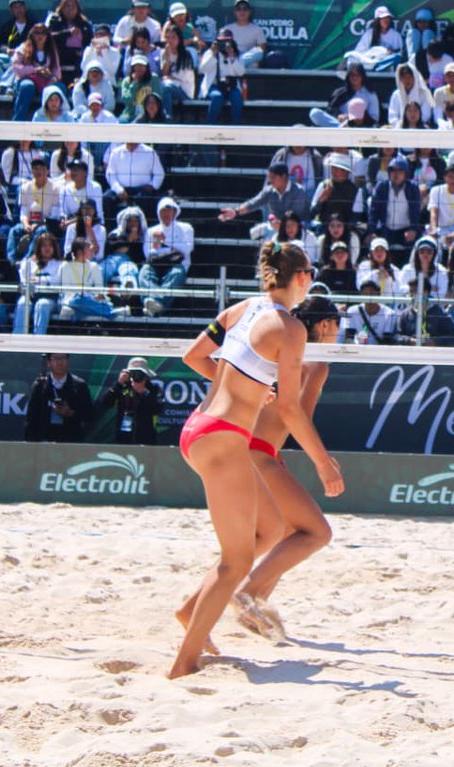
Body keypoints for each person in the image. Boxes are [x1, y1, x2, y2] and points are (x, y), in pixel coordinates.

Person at [174, 241, 343, 679]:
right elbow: (291, 411)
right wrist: (323, 462)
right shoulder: (292, 329)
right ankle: (183, 664)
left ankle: (193, 616)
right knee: (236, 561)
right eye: (311, 269)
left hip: (197, 427)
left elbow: (193, 356)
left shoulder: (242, 308)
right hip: (226, 438)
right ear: (302, 276)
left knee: (266, 531)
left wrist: (248, 387)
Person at [231, 297, 341, 639]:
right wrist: (323, 462)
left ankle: (246, 602)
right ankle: (247, 593)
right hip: (259, 452)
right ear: (323, 326)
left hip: (244, 446)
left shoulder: (278, 347)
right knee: (317, 533)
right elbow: (297, 417)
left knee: (282, 534)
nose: (339, 334)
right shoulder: (316, 363)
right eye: (337, 327)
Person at [23, 352, 92, 442]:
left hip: (71, 441)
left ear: (68, 361)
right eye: (55, 359)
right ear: (48, 362)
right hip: (45, 441)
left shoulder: (79, 385)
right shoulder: (40, 385)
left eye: (63, 358)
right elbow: (31, 418)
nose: (60, 363)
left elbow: (90, 415)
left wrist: (70, 413)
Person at [97, 356, 163, 444]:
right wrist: (118, 383)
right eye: (133, 373)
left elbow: (158, 409)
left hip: (146, 437)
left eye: (140, 373)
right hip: (124, 437)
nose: (137, 376)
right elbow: (105, 403)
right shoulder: (122, 387)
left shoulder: (153, 388)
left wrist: (143, 392)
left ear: (146, 376)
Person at [219, 162, 307, 225]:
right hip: (276, 230)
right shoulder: (268, 191)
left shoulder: (299, 191)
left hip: (296, 231)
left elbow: (295, 219)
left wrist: (278, 224)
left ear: (283, 177)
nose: (270, 181)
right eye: (269, 177)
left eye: (273, 177)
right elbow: (253, 203)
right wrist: (235, 212)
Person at [200, 28, 244, 126]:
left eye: (227, 41)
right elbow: (202, 69)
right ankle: (210, 127)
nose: (225, 44)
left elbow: (241, 72)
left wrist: (232, 58)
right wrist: (213, 54)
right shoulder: (210, 52)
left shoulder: (236, 53)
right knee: (217, 97)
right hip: (214, 85)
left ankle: (236, 128)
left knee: (237, 97)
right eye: (222, 41)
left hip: (231, 86)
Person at [224, 0, 268, 70]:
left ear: (250, 12)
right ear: (234, 12)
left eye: (245, 9)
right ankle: (236, 64)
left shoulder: (257, 29)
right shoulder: (227, 29)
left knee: (258, 54)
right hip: (232, 57)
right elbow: (222, 47)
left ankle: (237, 64)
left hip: (249, 59)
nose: (242, 12)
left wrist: (248, 55)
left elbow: (262, 48)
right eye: (239, 9)